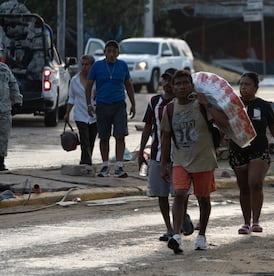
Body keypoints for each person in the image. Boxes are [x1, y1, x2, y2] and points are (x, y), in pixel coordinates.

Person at [160, 70, 229, 254]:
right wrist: (162, 164)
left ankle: (202, 235)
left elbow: (224, 122)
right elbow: (165, 136)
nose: (182, 87)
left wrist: (207, 105)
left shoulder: (201, 105)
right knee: (180, 194)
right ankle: (176, 235)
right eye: (178, 84)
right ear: (173, 88)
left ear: (191, 85)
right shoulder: (169, 109)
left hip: (203, 159)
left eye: (185, 83)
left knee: (203, 198)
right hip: (180, 159)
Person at [137, 68, 193, 241]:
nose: (168, 84)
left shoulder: (184, 103)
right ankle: (169, 228)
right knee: (161, 194)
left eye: (171, 80)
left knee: (180, 194)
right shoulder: (154, 102)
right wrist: (141, 150)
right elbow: (148, 126)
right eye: (165, 80)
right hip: (157, 154)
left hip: (180, 156)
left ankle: (181, 218)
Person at [229, 72, 274, 235]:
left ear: (255, 87)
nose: (243, 87)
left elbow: (273, 128)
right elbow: (222, 124)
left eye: (247, 84)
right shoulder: (233, 105)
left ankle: (256, 221)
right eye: (241, 84)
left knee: (255, 183)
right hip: (237, 150)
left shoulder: (264, 106)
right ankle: (246, 222)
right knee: (243, 187)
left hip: (259, 150)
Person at [85, 40, 136, 178]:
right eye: (109, 51)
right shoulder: (97, 66)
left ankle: (119, 166)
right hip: (102, 104)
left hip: (119, 104)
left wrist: (133, 103)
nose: (112, 54)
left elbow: (129, 85)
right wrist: (89, 104)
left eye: (114, 51)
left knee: (120, 135)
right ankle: (105, 165)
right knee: (104, 136)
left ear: (118, 53)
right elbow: (89, 85)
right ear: (105, 52)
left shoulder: (123, 66)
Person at [64, 55, 97, 166]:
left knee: (91, 139)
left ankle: (86, 160)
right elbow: (71, 98)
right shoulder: (74, 80)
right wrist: (67, 113)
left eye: (86, 65)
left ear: (92, 66)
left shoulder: (97, 81)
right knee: (84, 139)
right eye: (82, 64)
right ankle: (86, 163)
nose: (84, 67)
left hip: (94, 115)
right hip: (80, 115)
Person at [0, 46, 22, 171]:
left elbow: (13, 85)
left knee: (3, 137)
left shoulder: (4, 69)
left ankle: (0, 162)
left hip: (4, 109)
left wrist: (17, 101)